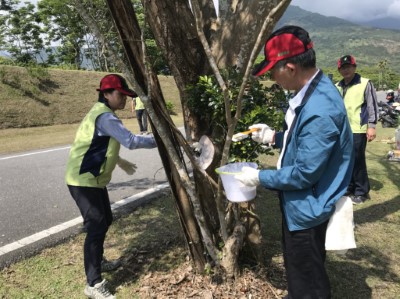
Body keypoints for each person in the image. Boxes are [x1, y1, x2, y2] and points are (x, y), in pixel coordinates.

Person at [235, 25, 354, 298]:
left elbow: (304, 173)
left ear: (290, 68)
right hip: (302, 202)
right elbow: (306, 144)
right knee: (300, 271)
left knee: (308, 281)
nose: (272, 78)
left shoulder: (320, 109)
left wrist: (258, 177)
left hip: (308, 208)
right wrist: (273, 138)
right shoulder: (314, 91)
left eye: (273, 71)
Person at [65, 74, 157, 299]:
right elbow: (132, 141)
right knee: (96, 226)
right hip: (83, 181)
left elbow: (97, 144)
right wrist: (161, 139)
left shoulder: (101, 113)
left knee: (105, 220)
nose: (124, 100)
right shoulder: (105, 117)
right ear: (106, 94)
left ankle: (99, 261)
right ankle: (93, 284)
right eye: (120, 95)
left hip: (91, 180)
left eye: (126, 96)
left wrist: (119, 161)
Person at [336, 55, 379, 204]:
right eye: (343, 67)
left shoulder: (365, 83)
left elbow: (372, 105)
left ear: (355, 67)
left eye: (349, 66)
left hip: (358, 129)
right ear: (339, 70)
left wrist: (371, 126)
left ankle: (361, 192)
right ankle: (349, 188)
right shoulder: (337, 86)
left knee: (357, 160)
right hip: (342, 129)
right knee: (344, 160)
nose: (346, 70)